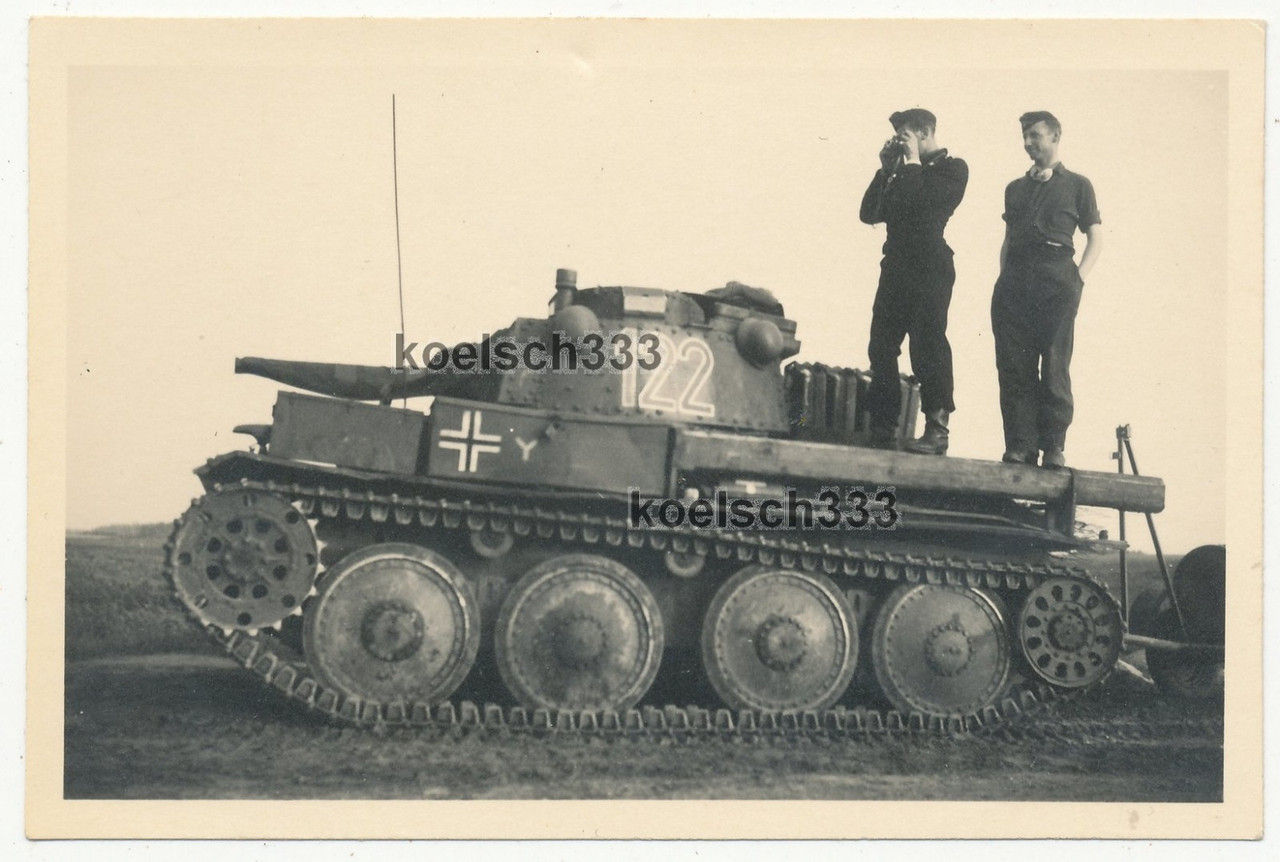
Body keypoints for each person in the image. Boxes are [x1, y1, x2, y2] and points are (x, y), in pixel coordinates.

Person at [991, 111, 1103, 468]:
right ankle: (1020, 445)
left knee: (1055, 362)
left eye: (1035, 135)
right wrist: (1004, 277)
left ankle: (1053, 444)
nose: (1028, 143)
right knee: (1014, 365)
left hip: (1057, 279)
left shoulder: (1078, 185)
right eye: (1024, 136)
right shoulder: (1014, 188)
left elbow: (1096, 238)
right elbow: (1008, 239)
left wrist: (1077, 279)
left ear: (1055, 136)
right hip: (1015, 281)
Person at [859, 108, 968, 455]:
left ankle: (937, 430)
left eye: (904, 135)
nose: (899, 142)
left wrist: (911, 162)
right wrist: (885, 170)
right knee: (881, 346)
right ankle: (883, 427)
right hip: (896, 267)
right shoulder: (903, 169)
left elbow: (921, 204)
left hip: (930, 266)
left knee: (928, 345)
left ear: (924, 132)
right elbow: (868, 213)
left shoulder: (954, 168)